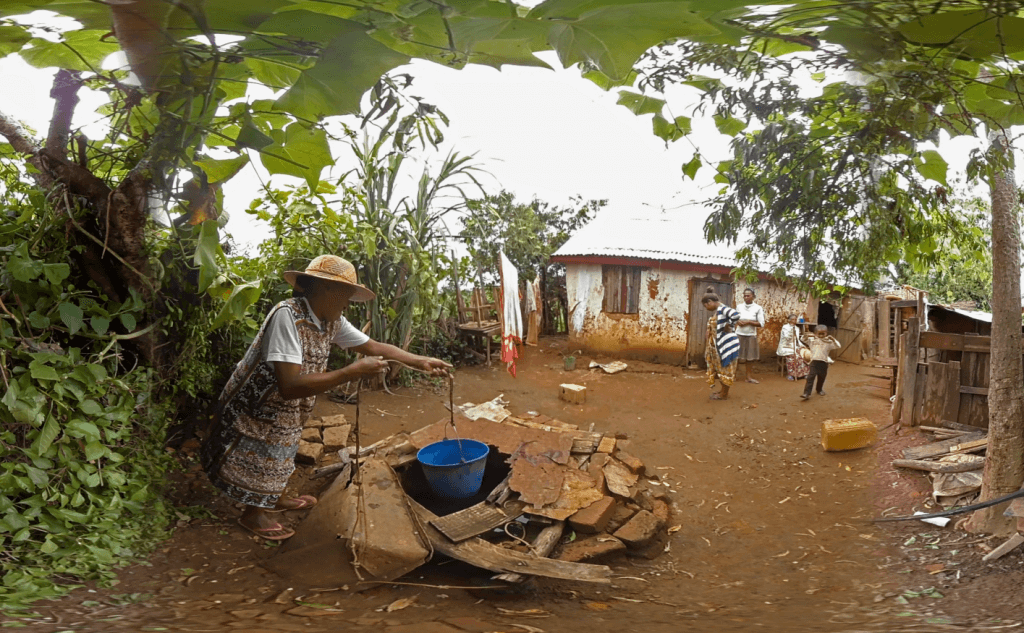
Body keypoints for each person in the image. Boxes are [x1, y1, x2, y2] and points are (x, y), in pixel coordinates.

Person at [201, 255, 452, 541]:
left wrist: (420, 361)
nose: (346, 305)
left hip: (287, 406)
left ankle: (274, 497)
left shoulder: (331, 321)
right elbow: (289, 385)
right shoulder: (287, 316)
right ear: (325, 289)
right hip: (258, 402)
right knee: (260, 451)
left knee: (281, 450)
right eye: (345, 296)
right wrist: (350, 372)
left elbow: (373, 346)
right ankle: (254, 513)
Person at [702, 287, 741, 400]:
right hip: (720, 346)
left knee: (726, 369)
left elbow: (736, 315)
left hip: (726, 346)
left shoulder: (722, 308)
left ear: (710, 302)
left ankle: (724, 394)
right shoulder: (719, 311)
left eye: (706, 306)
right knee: (721, 369)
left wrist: (729, 325)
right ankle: (722, 391)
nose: (706, 308)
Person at [800, 325, 841, 400]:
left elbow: (838, 346)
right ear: (815, 333)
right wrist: (807, 335)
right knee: (810, 377)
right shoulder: (812, 341)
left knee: (821, 378)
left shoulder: (828, 342)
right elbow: (802, 339)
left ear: (826, 333)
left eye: (823, 333)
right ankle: (806, 393)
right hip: (814, 362)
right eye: (819, 334)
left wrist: (833, 339)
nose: (821, 335)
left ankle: (819, 390)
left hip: (823, 363)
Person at [735, 287, 765, 384]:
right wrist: (737, 321)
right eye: (744, 296)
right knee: (736, 356)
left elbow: (761, 323)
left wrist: (749, 322)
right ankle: (733, 376)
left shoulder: (758, 308)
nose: (746, 297)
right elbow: (734, 318)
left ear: (753, 296)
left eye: (748, 295)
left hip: (751, 335)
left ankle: (748, 377)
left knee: (750, 357)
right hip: (739, 334)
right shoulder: (739, 307)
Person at [776, 313, 810, 381]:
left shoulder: (797, 328)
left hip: (794, 346)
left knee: (804, 353)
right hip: (785, 346)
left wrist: (802, 345)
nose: (794, 321)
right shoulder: (785, 327)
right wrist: (791, 332)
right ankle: (791, 374)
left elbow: (797, 339)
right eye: (793, 319)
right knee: (793, 354)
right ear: (789, 320)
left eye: (795, 319)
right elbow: (786, 338)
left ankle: (803, 373)